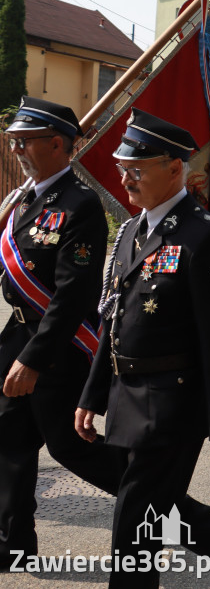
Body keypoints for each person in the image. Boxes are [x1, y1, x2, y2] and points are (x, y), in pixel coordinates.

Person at [76, 109, 210, 588]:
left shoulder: (204, 235)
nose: (125, 178)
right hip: (127, 397)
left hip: (172, 403)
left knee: (132, 526)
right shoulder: (129, 233)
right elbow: (113, 320)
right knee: (149, 506)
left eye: (136, 169)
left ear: (174, 168)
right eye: (122, 168)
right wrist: (91, 395)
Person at [0, 97, 126, 570]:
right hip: (19, 335)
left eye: (24, 141)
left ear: (57, 144)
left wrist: (32, 359)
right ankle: (13, 544)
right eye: (14, 141)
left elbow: (73, 296)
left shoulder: (80, 204)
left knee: (78, 453)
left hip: (57, 349)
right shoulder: (26, 198)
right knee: (8, 440)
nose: (16, 149)